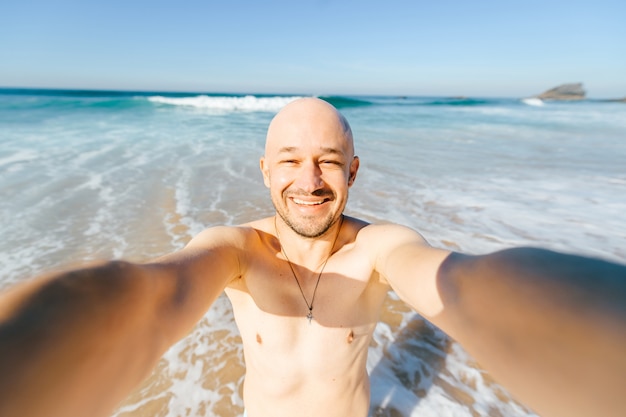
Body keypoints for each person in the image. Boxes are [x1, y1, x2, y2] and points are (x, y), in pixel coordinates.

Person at [0, 97, 625, 417]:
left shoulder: (378, 247)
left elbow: (462, 285)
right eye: (291, 161)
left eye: (328, 160)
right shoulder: (237, 250)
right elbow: (151, 297)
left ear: (352, 171)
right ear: (265, 171)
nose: (311, 180)